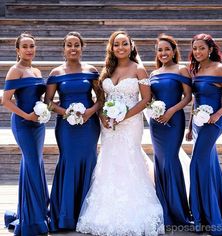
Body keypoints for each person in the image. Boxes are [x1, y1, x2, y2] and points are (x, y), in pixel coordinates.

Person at [76, 30, 164, 235]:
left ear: (131, 46)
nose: (120, 48)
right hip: (108, 125)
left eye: (124, 44)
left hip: (131, 123)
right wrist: (102, 116)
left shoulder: (139, 70)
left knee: (128, 159)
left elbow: (145, 100)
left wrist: (125, 115)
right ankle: (103, 213)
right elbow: (101, 98)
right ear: (111, 48)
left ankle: (136, 212)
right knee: (108, 160)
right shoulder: (107, 69)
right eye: (116, 44)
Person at [45, 31, 101, 232]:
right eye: (69, 45)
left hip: (89, 125)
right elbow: (48, 102)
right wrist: (66, 112)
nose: (73, 48)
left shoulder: (91, 70)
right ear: (64, 48)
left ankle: (87, 215)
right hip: (66, 127)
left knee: (89, 161)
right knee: (68, 161)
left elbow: (100, 98)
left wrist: (89, 112)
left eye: (76, 44)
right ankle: (66, 215)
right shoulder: (56, 73)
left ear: (82, 47)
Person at [186, 33, 222, 235]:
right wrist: (190, 127)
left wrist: (217, 115)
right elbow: (195, 101)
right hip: (198, 124)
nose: (197, 52)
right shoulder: (195, 69)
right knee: (210, 166)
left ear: (210, 50)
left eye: (201, 48)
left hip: (213, 123)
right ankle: (209, 215)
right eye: (195, 48)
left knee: (197, 163)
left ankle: (209, 216)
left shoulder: (218, 68)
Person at [2, 33, 49, 236]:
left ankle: (33, 211)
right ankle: (31, 219)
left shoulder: (36, 70)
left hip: (37, 124)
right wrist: (26, 116)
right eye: (25, 47)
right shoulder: (15, 70)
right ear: (17, 50)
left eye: (32, 46)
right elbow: (6, 100)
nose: (29, 50)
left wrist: (42, 113)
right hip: (23, 123)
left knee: (34, 164)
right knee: (31, 164)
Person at [149, 34, 192, 227]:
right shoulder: (153, 73)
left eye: (167, 49)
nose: (163, 53)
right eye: (160, 50)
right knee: (159, 162)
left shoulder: (182, 69)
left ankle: (179, 211)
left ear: (174, 50)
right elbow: (149, 98)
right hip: (156, 123)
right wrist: (154, 110)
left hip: (174, 120)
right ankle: (164, 211)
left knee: (171, 160)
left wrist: (172, 110)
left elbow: (188, 97)